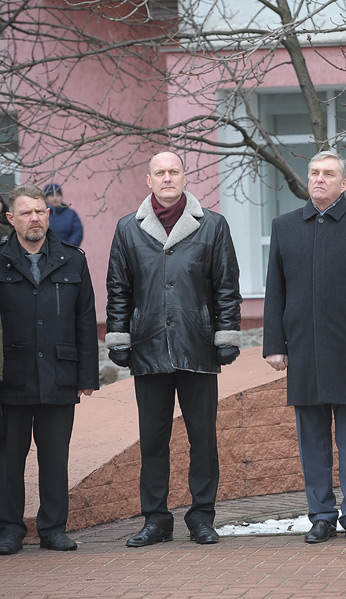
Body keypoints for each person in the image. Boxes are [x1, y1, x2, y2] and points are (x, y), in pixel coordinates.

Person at [105, 151, 242, 548]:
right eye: (160, 173)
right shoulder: (128, 229)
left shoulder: (212, 226)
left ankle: (202, 516)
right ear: (148, 181)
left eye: (174, 172)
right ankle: (156, 519)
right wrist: (119, 336)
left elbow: (226, 286)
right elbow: (119, 289)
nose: (167, 178)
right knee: (152, 439)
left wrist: (226, 335)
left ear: (185, 177)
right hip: (148, 347)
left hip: (197, 346)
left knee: (203, 438)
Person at [263, 150, 346, 544]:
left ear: (344, 183)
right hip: (303, 351)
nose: (318, 179)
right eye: (314, 173)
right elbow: (275, 292)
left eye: (328, 174)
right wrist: (274, 345)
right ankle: (321, 514)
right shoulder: (285, 227)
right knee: (312, 442)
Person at [0, 185, 99, 555]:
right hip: (12, 373)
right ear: (12, 219)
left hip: (60, 372)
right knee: (9, 458)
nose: (35, 218)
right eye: (26, 213)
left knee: (55, 457)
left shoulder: (73, 260)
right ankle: (10, 528)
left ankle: (53, 528)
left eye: (40, 211)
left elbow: (85, 319)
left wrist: (87, 375)